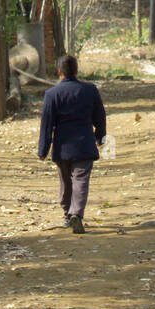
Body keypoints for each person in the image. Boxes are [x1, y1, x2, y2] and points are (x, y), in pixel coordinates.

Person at [38, 54, 106, 235]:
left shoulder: (52, 94)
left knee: (65, 181)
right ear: (76, 71)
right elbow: (100, 116)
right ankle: (76, 213)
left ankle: (68, 215)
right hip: (84, 144)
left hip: (62, 146)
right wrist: (100, 137)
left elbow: (47, 123)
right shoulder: (90, 90)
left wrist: (43, 149)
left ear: (59, 72)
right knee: (81, 180)